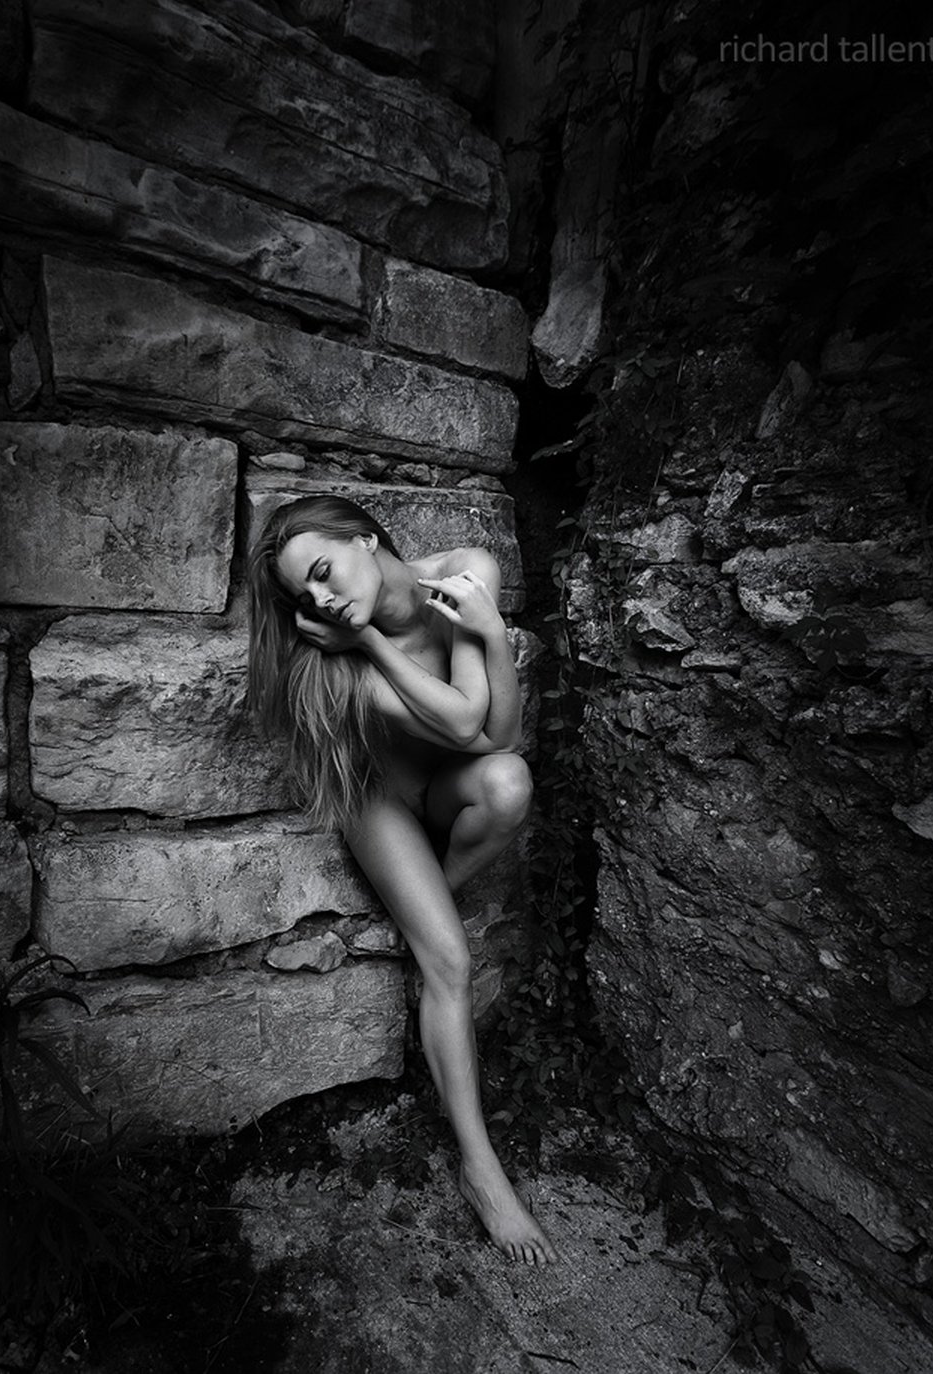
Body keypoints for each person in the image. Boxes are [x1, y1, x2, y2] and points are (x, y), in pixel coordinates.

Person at [248, 494, 559, 1267]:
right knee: (448, 962)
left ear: (364, 537)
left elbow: (498, 738)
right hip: (379, 798)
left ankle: (426, 908)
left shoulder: (464, 571)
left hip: (450, 788)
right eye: (304, 593)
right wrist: (371, 643)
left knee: (511, 784)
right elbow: (458, 723)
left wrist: (489, 633)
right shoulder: (331, 658)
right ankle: (480, 1169)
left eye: (323, 571)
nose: (319, 599)